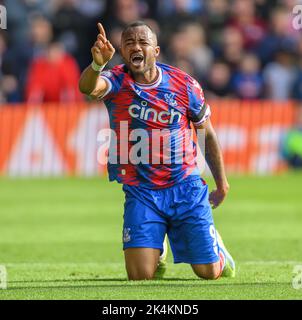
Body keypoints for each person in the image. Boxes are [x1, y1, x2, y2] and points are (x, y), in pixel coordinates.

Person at [79, 21, 235, 280]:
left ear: (156, 51)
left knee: (209, 273)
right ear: (122, 51)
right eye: (129, 43)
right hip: (141, 190)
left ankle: (218, 251)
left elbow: (206, 133)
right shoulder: (116, 80)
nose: (135, 47)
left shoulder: (184, 85)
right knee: (140, 276)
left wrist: (222, 183)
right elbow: (88, 88)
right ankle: (158, 250)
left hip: (184, 186)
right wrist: (97, 64)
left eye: (143, 42)